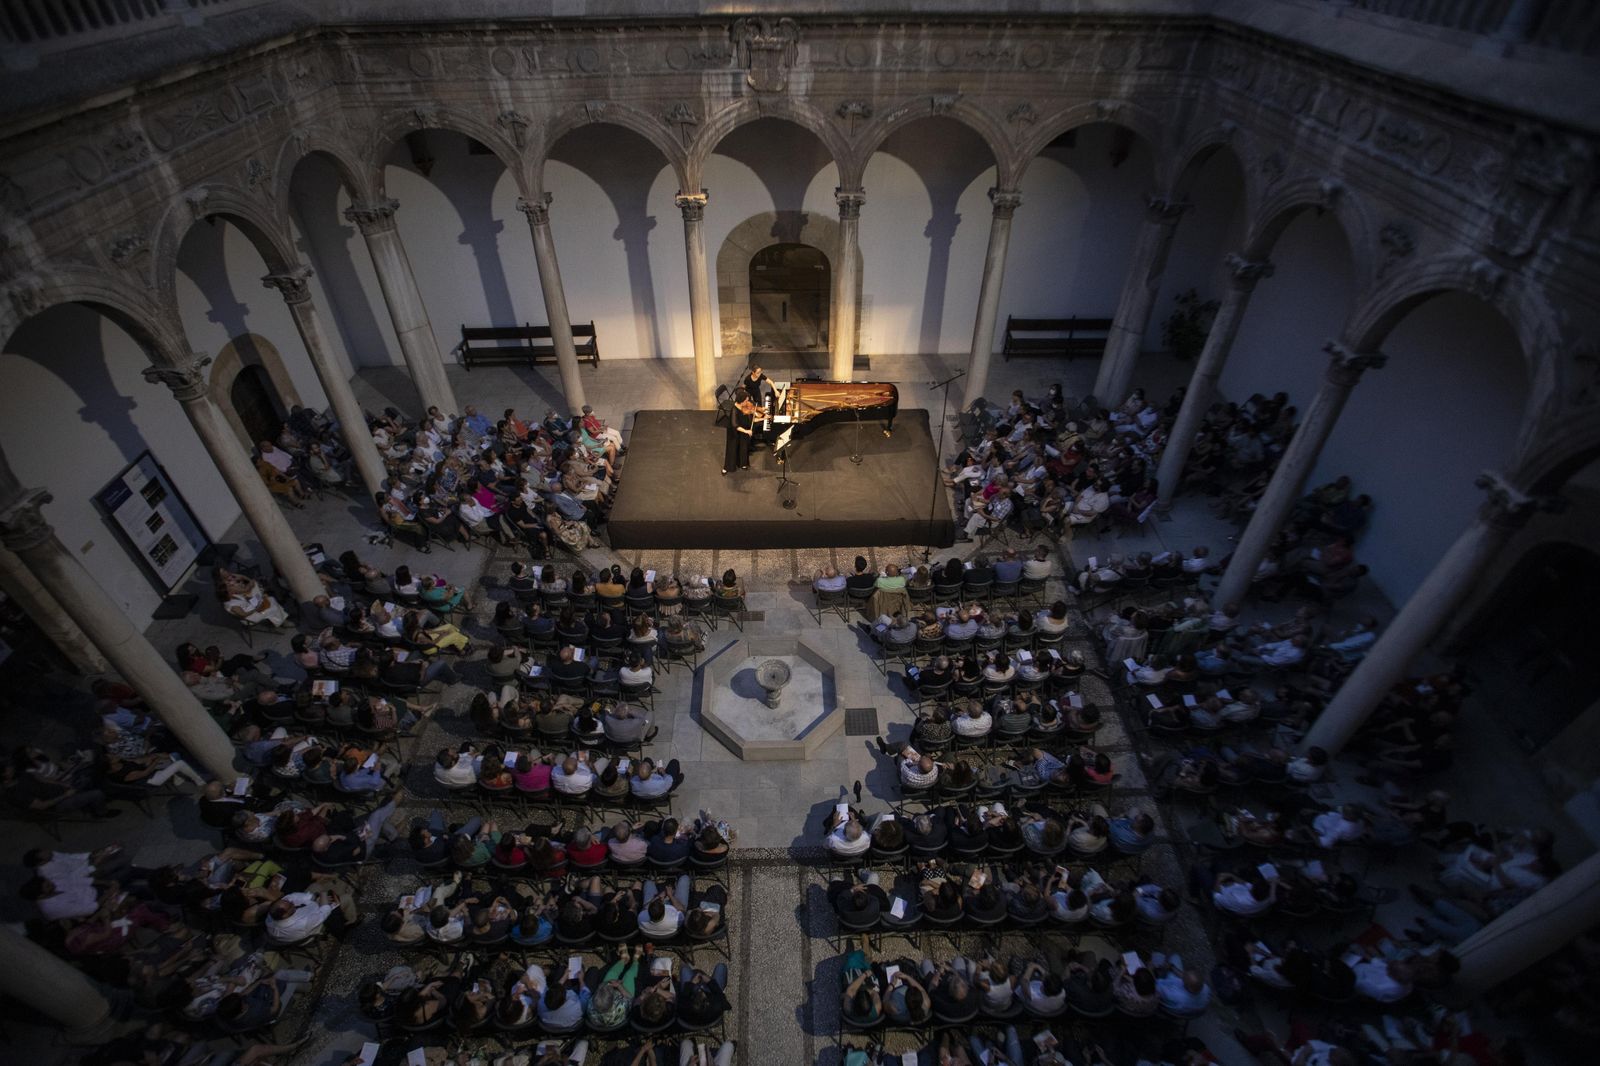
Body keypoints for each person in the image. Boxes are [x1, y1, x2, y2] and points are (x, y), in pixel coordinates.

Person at [723, 387, 758, 474]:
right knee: (732, 448)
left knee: (743, 447)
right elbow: (735, 425)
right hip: (735, 432)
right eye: (746, 401)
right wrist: (746, 431)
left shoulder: (744, 406)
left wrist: (752, 412)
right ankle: (728, 467)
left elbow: (747, 412)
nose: (747, 402)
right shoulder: (734, 410)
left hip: (743, 430)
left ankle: (742, 463)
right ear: (741, 401)